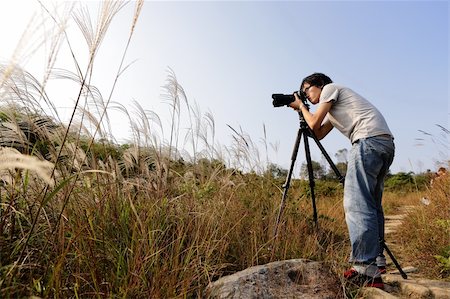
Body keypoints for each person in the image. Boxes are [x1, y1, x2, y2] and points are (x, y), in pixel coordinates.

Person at [289, 73, 395, 289]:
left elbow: (315, 120)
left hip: (367, 142)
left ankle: (365, 268)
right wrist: (303, 113)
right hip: (383, 144)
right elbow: (318, 132)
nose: (307, 96)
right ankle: (378, 261)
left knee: (356, 204)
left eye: (307, 90)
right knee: (372, 206)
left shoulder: (330, 88)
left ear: (319, 85)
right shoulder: (336, 103)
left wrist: (302, 107)